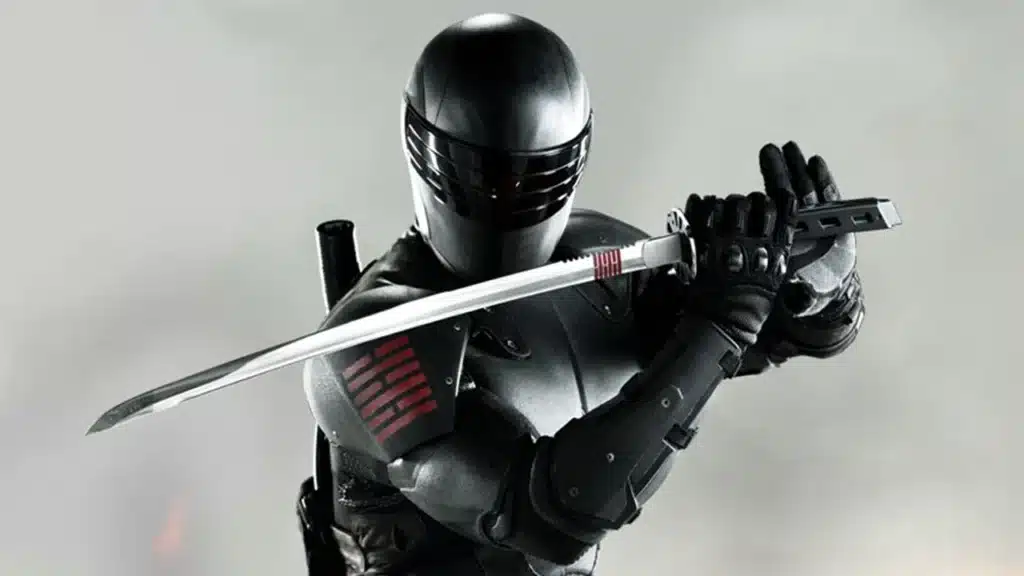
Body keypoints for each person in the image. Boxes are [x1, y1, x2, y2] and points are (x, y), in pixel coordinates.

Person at [297, 13, 865, 576]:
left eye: (533, 177)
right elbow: (551, 518)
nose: (508, 194)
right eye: (484, 174)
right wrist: (726, 315)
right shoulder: (371, 341)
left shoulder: (603, 261)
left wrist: (809, 286)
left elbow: (766, 338)